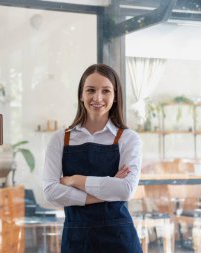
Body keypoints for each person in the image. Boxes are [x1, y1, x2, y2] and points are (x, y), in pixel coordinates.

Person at [43, 63, 143, 253]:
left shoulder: (129, 139)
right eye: (91, 90)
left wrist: (75, 180)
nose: (98, 98)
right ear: (81, 95)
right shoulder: (60, 139)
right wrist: (103, 192)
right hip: (76, 240)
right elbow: (50, 192)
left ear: (115, 97)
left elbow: (125, 190)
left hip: (119, 239)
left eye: (106, 91)